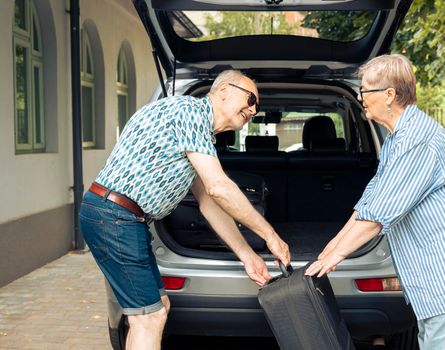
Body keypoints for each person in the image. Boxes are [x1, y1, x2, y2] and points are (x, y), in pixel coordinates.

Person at [79, 70, 291, 350]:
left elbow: (210, 203)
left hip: (123, 219)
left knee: (155, 310)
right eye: (250, 98)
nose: (253, 109)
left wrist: (248, 256)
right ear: (225, 90)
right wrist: (271, 236)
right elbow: (219, 187)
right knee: (150, 317)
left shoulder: (198, 134)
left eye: (257, 105)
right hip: (115, 217)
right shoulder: (189, 112)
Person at [305, 54, 445, 350]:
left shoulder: (417, 140)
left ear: (389, 94)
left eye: (365, 90)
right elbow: (370, 200)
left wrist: (333, 259)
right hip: (431, 275)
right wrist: (329, 248)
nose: (360, 97)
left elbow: (379, 215)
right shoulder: (397, 138)